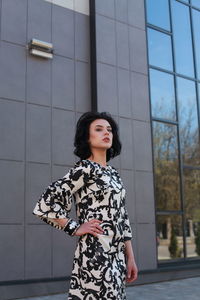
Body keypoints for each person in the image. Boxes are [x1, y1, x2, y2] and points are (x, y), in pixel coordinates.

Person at [33, 111, 138, 299]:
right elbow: (45, 203)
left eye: (109, 130)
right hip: (95, 253)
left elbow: (122, 217)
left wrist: (130, 257)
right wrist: (74, 227)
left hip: (117, 255)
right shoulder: (84, 169)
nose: (106, 133)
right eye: (99, 129)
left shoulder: (113, 173)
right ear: (87, 137)